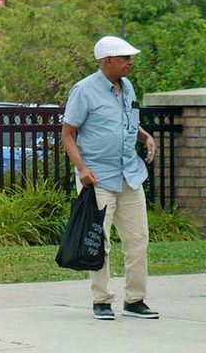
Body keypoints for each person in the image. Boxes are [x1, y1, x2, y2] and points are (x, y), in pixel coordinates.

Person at [61, 35, 159, 321]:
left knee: (138, 239)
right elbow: (68, 133)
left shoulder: (127, 87)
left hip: (129, 175)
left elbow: (128, 121)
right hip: (97, 178)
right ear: (107, 62)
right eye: (125, 58)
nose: (130, 63)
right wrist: (82, 169)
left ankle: (135, 299)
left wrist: (145, 136)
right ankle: (101, 300)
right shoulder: (84, 90)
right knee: (99, 241)